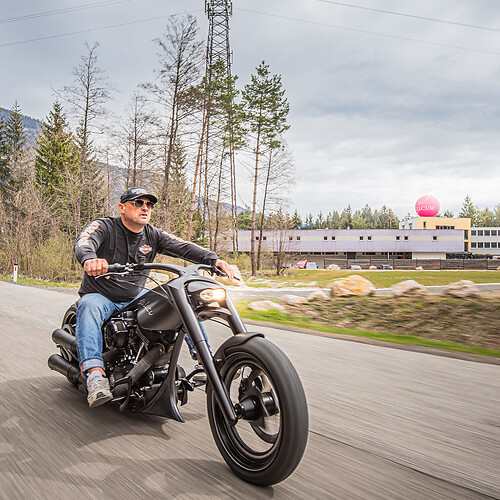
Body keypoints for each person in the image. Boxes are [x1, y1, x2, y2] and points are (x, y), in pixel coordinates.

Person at [74, 187, 234, 408]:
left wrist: (213, 260)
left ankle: (204, 361)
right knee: (88, 305)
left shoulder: (153, 234)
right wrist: (90, 258)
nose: (145, 208)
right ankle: (94, 375)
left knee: (178, 301)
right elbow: (85, 240)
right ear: (122, 207)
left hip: (134, 295)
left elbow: (183, 246)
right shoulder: (105, 226)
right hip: (102, 295)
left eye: (149, 205)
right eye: (138, 203)